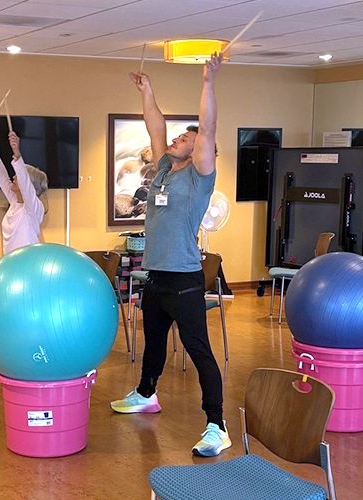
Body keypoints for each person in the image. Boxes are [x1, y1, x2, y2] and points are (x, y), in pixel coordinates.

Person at [110, 53, 230, 456]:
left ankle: (217, 423)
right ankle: (146, 393)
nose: (178, 138)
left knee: (198, 350)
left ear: (200, 151)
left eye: (186, 138)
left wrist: (209, 82)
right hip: (156, 274)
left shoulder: (199, 178)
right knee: (155, 340)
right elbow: (155, 125)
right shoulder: (163, 168)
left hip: (183, 277)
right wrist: (148, 91)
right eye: (180, 137)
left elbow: (208, 128)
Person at [0, 123, 48, 254]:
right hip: (10, 264)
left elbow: (25, 182)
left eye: (17, 175)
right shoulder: (14, 202)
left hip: (28, 264)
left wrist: (17, 154)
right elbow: (0, 172)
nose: (13, 177)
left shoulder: (34, 208)